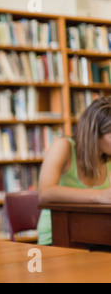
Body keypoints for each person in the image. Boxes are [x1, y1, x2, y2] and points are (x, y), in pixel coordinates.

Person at [37, 96, 111, 245]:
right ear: (95, 133)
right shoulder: (63, 146)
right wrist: (100, 196)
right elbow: (45, 193)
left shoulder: (107, 156)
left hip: (98, 236)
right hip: (60, 236)